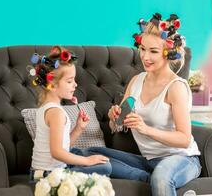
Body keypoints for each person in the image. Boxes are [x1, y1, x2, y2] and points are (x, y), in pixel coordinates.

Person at [87, 13, 201, 196]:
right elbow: (116, 126)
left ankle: (156, 177)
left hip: (181, 159)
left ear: (168, 53)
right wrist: (114, 118)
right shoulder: (136, 81)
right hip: (148, 161)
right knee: (88, 154)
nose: (145, 57)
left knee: (162, 177)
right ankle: (148, 176)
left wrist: (145, 129)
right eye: (142, 49)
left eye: (153, 51)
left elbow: (184, 139)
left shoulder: (176, 87)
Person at [28, 46, 111, 181]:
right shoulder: (56, 113)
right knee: (105, 168)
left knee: (88, 156)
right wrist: (88, 161)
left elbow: (63, 147)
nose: (75, 85)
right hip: (48, 177)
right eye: (69, 81)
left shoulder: (46, 108)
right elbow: (57, 152)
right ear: (52, 85)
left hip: (42, 173)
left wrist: (78, 128)